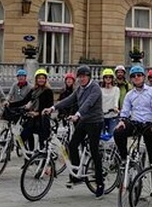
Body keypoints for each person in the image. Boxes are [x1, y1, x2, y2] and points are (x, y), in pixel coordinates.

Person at [43, 65, 105, 199]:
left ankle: (100, 183)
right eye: (80, 76)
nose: (82, 79)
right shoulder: (79, 89)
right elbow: (68, 100)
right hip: (84, 120)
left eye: (84, 76)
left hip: (95, 121)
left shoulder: (95, 88)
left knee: (94, 151)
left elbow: (88, 103)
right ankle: (76, 175)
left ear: (89, 77)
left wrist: (77, 114)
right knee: (72, 145)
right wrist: (53, 107)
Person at [114, 65, 152, 168]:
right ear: (131, 79)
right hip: (135, 123)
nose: (136, 77)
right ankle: (124, 157)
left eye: (139, 75)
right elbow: (125, 111)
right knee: (118, 133)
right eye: (133, 76)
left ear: (143, 77)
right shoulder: (129, 94)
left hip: (149, 124)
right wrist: (122, 121)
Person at [9, 68, 53, 151]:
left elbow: (50, 106)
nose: (41, 80)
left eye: (43, 78)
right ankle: (30, 153)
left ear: (45, 80)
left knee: (42, 141)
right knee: (23, 136)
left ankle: (42, 158)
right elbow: (24, 101)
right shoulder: (34, 90)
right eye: (39, 78)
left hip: (43, 118)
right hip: (33, 117)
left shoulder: (48, 91)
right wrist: (10, 105)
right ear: (36, 79)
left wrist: (38, 113)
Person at [100, 68, 120, 134]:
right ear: (103, 78)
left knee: (112, 134)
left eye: (110, 77)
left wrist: (116, 107)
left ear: (112, 78)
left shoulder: (116, 89)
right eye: (106, 77)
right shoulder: (100, 90)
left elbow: (116, 100)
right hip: (102, 115)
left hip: (112, 115)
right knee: (101, 135)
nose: (108, 79)